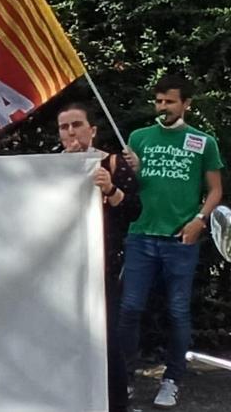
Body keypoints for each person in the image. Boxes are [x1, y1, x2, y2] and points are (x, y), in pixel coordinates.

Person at [119, 74, 224, 408]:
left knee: (178, 311)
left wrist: (199, 220)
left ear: (186, 104)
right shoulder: (139, 137)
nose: (162, 107)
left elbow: (216, 190)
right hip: (140, 235)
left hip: (180, 239)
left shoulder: (203, 142)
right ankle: (123, 380)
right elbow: (129, 188)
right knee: (130, 309)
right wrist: (132, 169)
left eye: (170, 102)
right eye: (159, 101)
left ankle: (172, 379)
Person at [57, 102, 141, 412]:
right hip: (60, 269)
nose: (71, 132)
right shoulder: (48, 168)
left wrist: (111, 190)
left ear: (92, 129)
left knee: (106, 339)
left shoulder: (114, 163)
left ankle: (116, 404)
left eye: (76, 124)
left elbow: (134, 210)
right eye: (64, 127)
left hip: (103, 266)